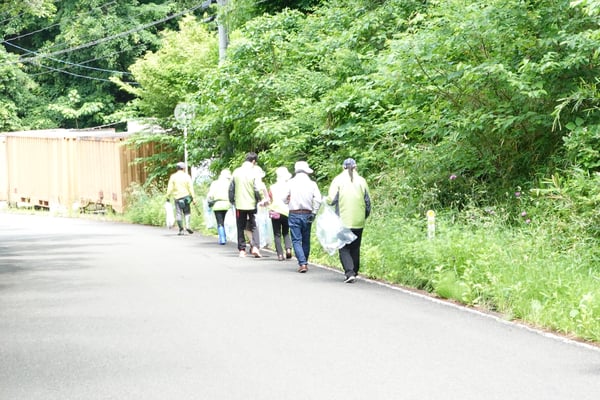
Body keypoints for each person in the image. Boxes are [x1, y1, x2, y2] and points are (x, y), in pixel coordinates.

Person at [326, 158, 371, 283]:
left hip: (343, 220)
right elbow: (368, 202)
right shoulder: (362, 181)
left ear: (343, 167)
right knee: (355, 247)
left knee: (344, 247)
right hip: (358, 220)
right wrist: (364, 216)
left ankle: (349, 272)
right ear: (355, 167)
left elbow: (331, 200)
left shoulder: (338, 180)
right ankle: (354, 272)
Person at [229, 152, 267, 258]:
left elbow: (231, 188)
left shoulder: (236, 172)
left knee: (240, 226)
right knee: (254, 225)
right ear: (253, 161)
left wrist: (232, 200)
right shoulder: (254, 172)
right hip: (252, 204)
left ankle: (242, 250)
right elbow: (257, 188)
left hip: (239, 204)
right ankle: (255, 247)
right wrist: (260, 199)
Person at [286, 160, 321, 273]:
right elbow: (318, 199)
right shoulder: (312, 184)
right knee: (306, 239)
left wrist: (288, 201)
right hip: (307, 213)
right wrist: (314, 212)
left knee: (296, 240)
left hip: (294, 213)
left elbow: (283, 197)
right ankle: (304, 261)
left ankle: (302, 263)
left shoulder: (290, 183)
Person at [268, 166, 293, 261]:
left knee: (277, 233)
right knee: (286, 232)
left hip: (275, 211)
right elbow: (290, 199)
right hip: (286, 211)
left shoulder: (272, 187)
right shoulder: (289, 187)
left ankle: (280, 254)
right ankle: (288, 249)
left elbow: (270, 199)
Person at [166, 161, 196, 235]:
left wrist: (167, 196)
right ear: (183, 168)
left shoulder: (173, 176)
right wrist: (193, 197)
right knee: (187, 212)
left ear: (177, 168)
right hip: (186, 197)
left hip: (177, 198)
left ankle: (181, 230)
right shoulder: (187, 176)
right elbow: (190, 187)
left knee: (178, 213)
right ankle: (188, 226)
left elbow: (170, 188)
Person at [207, 168, 232, 245]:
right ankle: (227, 236)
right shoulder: (230, 183)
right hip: (228, 205)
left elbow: (210, 195)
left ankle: (222, 238)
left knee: (220, 222)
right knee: (227, 222)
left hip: (217, 205)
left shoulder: (215, 183)